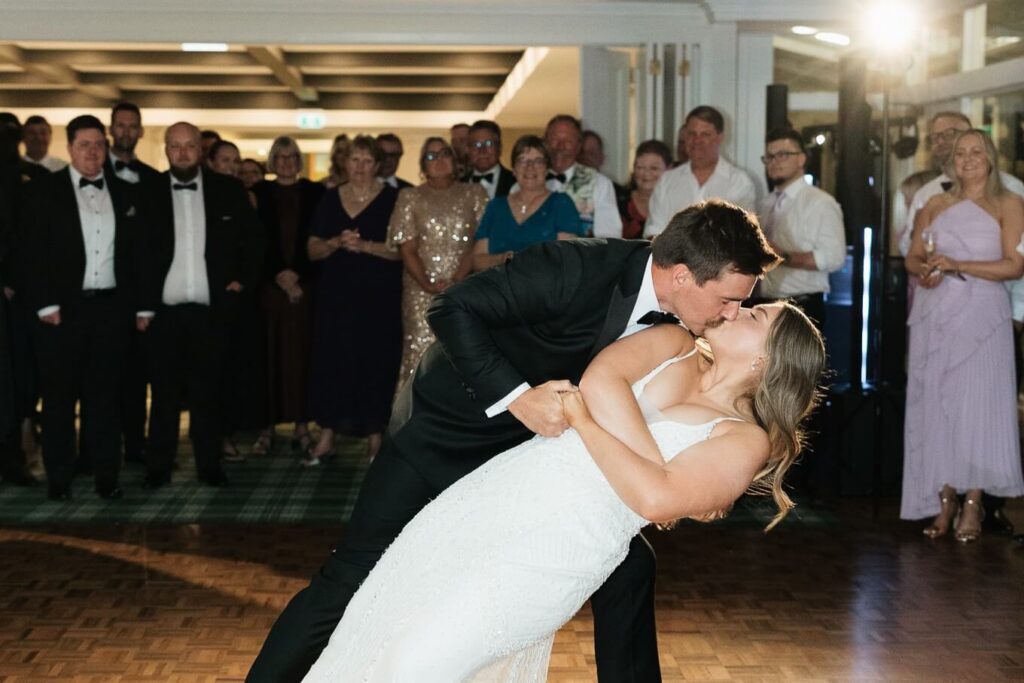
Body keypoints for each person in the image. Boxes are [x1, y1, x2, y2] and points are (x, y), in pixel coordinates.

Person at [247, 199, 779, 683]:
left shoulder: (685, 331)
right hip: (445, 435)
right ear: (682, 275)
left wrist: (687, 482)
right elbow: (451, 308)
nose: (731, 313)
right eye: (729, 300)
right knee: (350, 577)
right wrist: (518, 399)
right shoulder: (573, 267)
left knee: (630, 569)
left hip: (530, 463)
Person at [304, 297, 824, 680]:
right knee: (379, 629)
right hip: (495, 497)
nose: (736, 310)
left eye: (755, 316)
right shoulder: (674, 343)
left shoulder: (743, 439)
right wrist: (643, 463)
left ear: (768, 360)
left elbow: (655, 499)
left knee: (417, 664)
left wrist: (587, 423)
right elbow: (601, 378)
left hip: (559, 551)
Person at [898, 112, 1024, 536]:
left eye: (976, 152)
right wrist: (927, 271)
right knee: (937, 407)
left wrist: (958, 265)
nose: (968, 160)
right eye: (960, 154)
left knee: (978, 408)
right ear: (951, 161)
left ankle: (973, 504)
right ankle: (944, 500)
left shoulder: (1010, 203)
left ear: (991, 158)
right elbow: (913, 256)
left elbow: (1015, 265)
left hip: (983, 317)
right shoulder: (935, 204)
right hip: (935, 313)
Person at [22, 114, 150, 500]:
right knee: (59, 400)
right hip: (61, 311)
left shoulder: (126, 193)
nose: (93, 152)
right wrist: (45, 303)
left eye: (98, 145)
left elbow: (138, 257)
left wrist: (142, 307)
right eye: (84, 145)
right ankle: (59, 479)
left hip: (111, 310)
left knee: (105, 400)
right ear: (69, 149)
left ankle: (106, 477)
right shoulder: (42, 191)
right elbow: (31, 252)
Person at [141, 122, 264, 490]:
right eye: (175, 146)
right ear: (166, 149)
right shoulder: (147, 190)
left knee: (208, 393)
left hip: (212, 312)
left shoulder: (228, 190)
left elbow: (254, 241)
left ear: (201, 150)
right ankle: (158, 467)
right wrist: (142, 306)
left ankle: (209, 466)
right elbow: (134, 252)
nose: (182, 152)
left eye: (189, 145)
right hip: (163, 313)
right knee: (163, 395)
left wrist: (241, 281)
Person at [305, 136, 402, 465]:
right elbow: (312, 250)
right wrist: (334, 242)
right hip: (336, 298)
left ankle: (375, 439)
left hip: (379, 299)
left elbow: (402, 250)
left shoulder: (393, 198)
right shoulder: (330, 197)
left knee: (376, 363)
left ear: (378, 165)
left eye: (367, 161)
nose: (360, 167)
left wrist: (365, 246)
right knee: (332, 363)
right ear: (345, 163)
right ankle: (327, 436)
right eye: (354, 160)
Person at [387, 137, 487, 389]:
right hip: (420, 291)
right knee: (419, 355)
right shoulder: (409, 196)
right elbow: (407, 247)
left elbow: (480, 242)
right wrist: (428, 284)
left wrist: (457, 281)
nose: (439, 160)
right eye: (431, 156)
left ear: (455, 160)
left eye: (444, 153)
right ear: (423, 165)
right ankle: (412, 412)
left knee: (462, 351)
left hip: (464, 288)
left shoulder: (474, 193)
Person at [250, 136, 325, 457]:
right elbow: (256, 241)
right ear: (272, 160)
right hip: (269, 289)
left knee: (302, 359)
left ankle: (302, 427)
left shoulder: (316, 192)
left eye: (292, 156)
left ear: (299, 160)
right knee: (267, 358)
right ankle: (266, 428)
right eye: (280, 156)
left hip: (305, 288)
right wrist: (279, 274)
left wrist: (297, 275)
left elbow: (319, 238)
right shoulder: (258, 192)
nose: (286, 161)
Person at [104, 102, 161, 467]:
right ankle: (95, 452)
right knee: (99, 378)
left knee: (138, 375)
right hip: (100, 293)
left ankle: (137, 447)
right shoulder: (90, 175)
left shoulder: (154, 180)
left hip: (140, 292)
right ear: (111, 129)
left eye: (132, 126)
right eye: (120, 125)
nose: (126, 131)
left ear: (140, 131)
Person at [754, 128, 845, 326]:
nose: (774, 162)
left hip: (802, 305)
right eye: (769, 157)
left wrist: (783, 256)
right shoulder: (766, 203)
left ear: (801, 159)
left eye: (783, 155)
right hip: (763, 303)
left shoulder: (820, 202)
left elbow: (834, 257)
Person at [472, 134, 583, 272]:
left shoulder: (561, 204)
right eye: (522, 160)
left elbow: (568, 258)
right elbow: (477, 260)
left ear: (547, 168)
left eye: (538, 161)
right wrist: (502, 259)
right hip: (499, 285)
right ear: (513, 169)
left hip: (545, 285)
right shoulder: (496, 207)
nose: (530, 167)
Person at [645, 105, 756, 237]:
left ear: (720, 137)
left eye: (705, 134)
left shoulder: (739, 183)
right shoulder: (666, 181)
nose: (697, 140)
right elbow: (653, 232)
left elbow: (741, 236)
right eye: (692, 134)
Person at [541, 114, 622, 238]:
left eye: (568, 141)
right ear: (545, 142)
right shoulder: (529, 180)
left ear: (578, 146)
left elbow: (608, 237)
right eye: (554, 140)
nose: (560, 146)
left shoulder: (599, 183)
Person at [619, 139, 672, 239]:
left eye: (654, 168)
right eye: (640, 167)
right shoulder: (618, 201)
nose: (646, 173)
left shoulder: (677, 202)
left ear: (669, 170)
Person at [464, 119, 515, 199]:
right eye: (476, 144)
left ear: (499, 147)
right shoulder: (457, 185)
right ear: (467, 149)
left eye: (488, 143)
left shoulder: (516, 182)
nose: (482, 151)